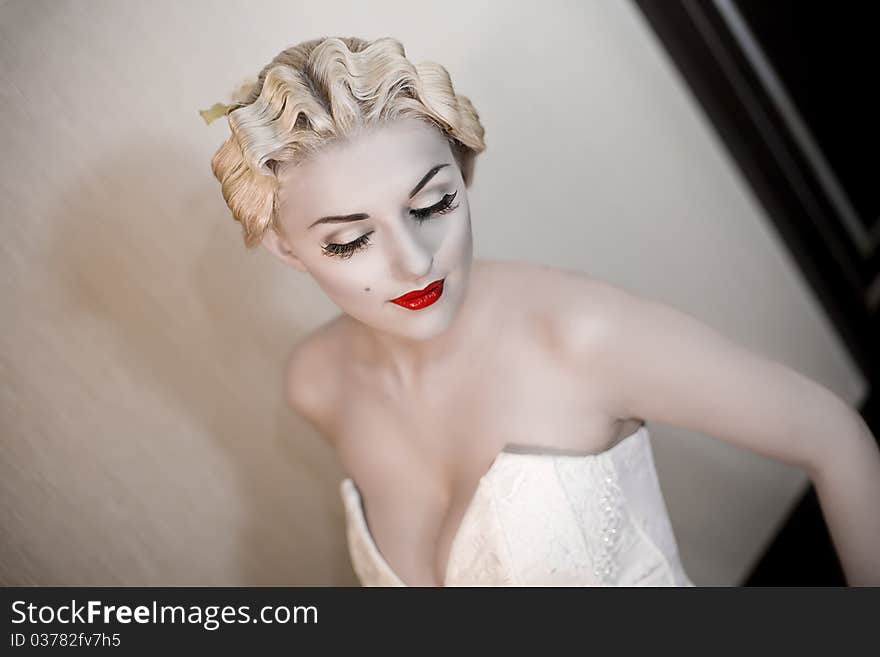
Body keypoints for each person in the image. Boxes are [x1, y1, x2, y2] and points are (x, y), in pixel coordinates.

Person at [205, 36, 880, 587]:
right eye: (350, 240)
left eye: (433, 203)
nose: (415, 260)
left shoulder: (582, 338)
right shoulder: (317, 383)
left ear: (462, 174)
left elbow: (836, 438)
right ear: (287, 248)